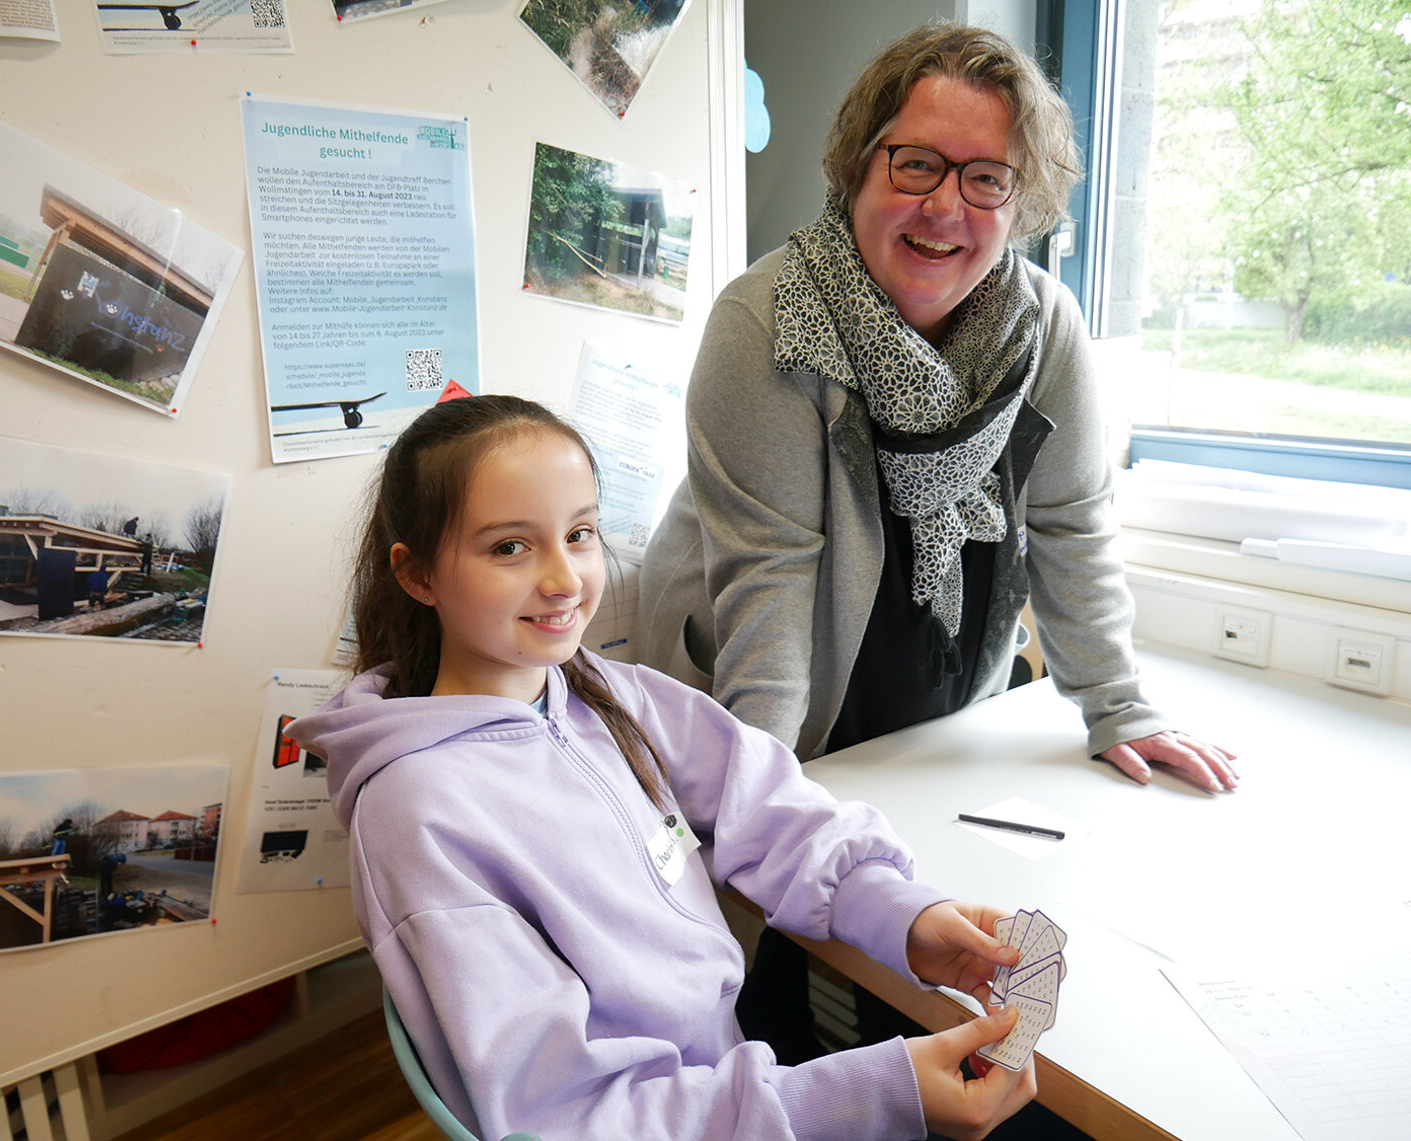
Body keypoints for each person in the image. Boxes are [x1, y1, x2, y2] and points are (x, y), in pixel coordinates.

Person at [633, 22, 1237, 1066]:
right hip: (760, 672)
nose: (943, 205)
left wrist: (1115, 704)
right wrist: (750, 809)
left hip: (928, 664)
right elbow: (768, 588)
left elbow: (1070, 523)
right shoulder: (766, 321)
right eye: (914, 162)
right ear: (859, 163)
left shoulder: (1043, 327)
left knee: (925, 923)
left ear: (1022, 201)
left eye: (985, 178)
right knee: (779, 973)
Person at [290, 394, 1037, 1141]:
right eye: (510, 547)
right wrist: (871, 1090)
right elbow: (572, 1115)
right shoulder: (418, 812)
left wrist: (905, 916)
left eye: (579, 533)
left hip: (725, 1081)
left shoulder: (604, 691)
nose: (564, 578)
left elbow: (766, 800)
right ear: (417, 575)